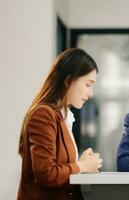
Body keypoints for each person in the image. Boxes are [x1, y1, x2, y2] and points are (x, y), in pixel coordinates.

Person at [17, 48, 102, 199]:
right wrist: (82, 166)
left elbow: (60, 171)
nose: (91, 93)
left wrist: (79, 164)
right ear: (68, 80)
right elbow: (47, 175)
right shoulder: (43, 114)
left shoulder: (64, 117)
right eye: (88, 84)